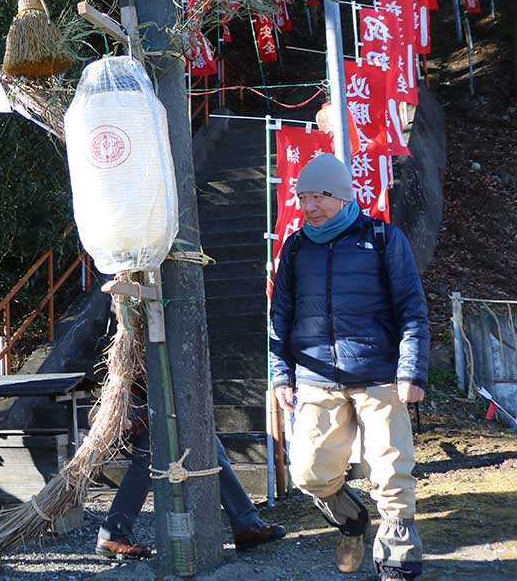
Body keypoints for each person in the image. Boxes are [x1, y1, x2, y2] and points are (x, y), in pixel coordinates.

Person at [269, 154, 429, 581]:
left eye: (319, 196)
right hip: (316, 377)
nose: (310, 206)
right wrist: (281, 372)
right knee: (307, 472)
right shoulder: (297, 246)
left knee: (391, 469)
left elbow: (412, 309)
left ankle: (399, 554)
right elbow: (279, 316)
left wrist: (411, 370)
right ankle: (350, 519)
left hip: (380, 375)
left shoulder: (382, 237)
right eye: (303, 198)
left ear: (342, 196)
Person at [95, 386, 285, 559]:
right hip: (143, 397)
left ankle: (246, 524)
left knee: (209, 448)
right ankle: (112, 534)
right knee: (150, 460)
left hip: (167, 395)